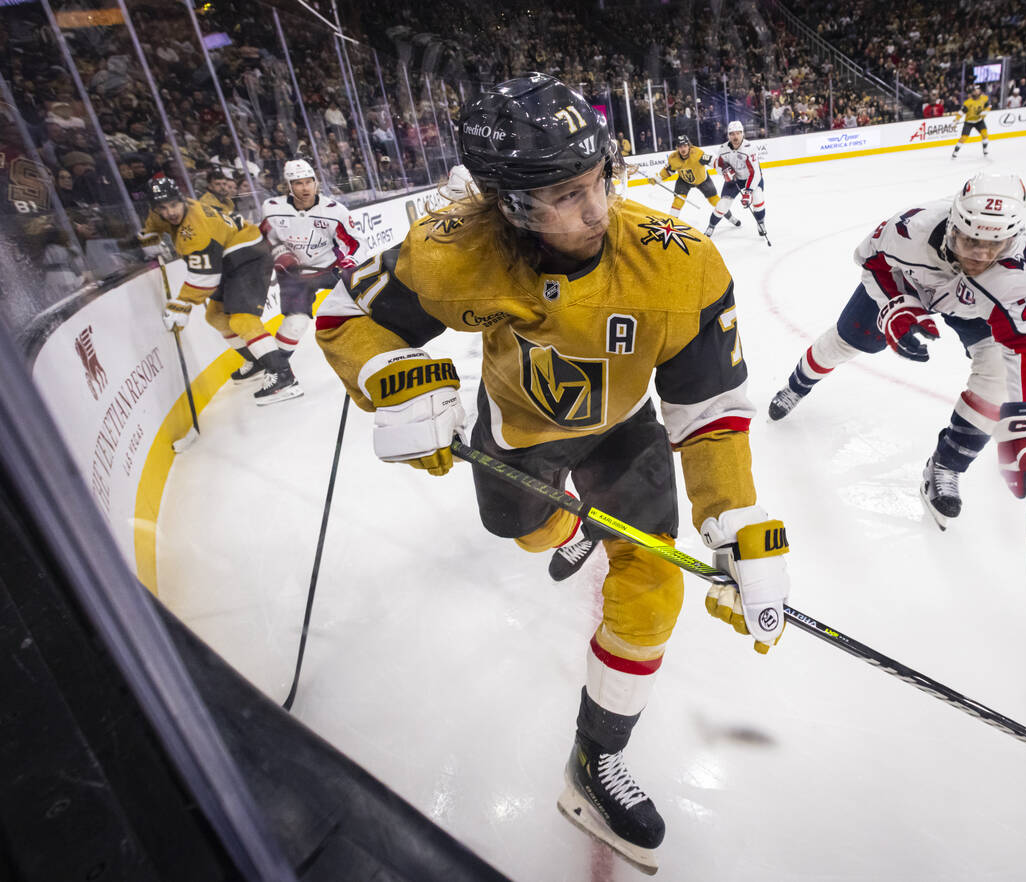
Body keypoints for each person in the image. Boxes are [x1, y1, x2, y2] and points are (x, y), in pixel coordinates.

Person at [314, 73, 790, 874]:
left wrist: (736, 521)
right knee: (531, 532)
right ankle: (571, 526)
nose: (597, 208)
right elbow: (344, 316)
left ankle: (594, 759)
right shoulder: (453, 245)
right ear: (507, 203)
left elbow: (711, 409)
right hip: (517, 436)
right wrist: (388, 377)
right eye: (566, 195)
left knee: (653, 585)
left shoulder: (682, 264)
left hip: (624, 430)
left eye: (600, 177)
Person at [767, 171, 1026, 529]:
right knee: (847, 340)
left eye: (995, 246)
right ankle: (797, 384)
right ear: (954, 223)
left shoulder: (1024, 267)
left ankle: (945, 465)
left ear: (1014, 239)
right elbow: (872, 261)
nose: (981, 255)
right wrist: (895, 305)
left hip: (979, 308)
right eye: (970, 240)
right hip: (908, 285)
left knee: (999, 377)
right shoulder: (910, 229)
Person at [142, 176, 300, 404]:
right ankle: (257, 362)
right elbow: (155, 222)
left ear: (181, 200)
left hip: (248, 254)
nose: (170, 213)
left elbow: (205, 277)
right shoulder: (165, 211)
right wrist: (150, 236)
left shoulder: (197, 227)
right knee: (215, 315)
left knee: (242, 320)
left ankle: (283, 375)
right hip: (229, 257)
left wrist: (183, 304)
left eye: (174, 205)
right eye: (163, 208)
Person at [256, 158, 362, 389]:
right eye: (298, 183)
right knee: (295, 323)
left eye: (309, 182)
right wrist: (280, 254)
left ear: (316, 182)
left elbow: (354, 243)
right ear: (289, 186)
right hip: (296, 275)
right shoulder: (272, 209)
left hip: (329, 268)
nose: (305, 188)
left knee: (363, 304)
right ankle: (279, 371)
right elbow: (267, 239)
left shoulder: (334, 211)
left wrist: (347, 262)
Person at [650, 134, 738, 231]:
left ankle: (731, 218)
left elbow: (712, 161)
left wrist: (724, 168)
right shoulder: (673, 158)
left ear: (689, 145)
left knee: (715, 201)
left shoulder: (697, 154)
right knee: (678, 200)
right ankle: (671, 225)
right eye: (680, 146)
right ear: (677, 148)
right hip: (684, 180)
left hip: (702, 180)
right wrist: (658, 178)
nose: (683, 149)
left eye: (685, 146)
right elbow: (668, 171)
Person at [710, 120, 769, 242]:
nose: (735, 136)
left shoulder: (750, 148)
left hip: (751, 178)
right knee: (723, 204)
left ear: (743, 134)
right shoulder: (723, 149)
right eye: (732, 134)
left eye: (738, 133)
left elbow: (755, 172)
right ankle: (711, 226)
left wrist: (748, 192)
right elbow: (719, 167)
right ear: (728, 135)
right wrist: (724, 172)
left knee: (758, 199)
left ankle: (760, 222)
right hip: (735, 179)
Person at [952, 84, 990, 159]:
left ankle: (985, 149)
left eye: (978, 90)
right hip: (969, 122)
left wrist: (985, 112)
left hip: (979, 121)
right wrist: (956, 120)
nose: (977, 92)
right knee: (963, 138)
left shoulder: (984, 98)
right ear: (972, 92)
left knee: (985, 135)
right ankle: (955, 152)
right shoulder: (968, 103)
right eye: (975, 91)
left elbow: (988, 107)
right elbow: (961, 112)